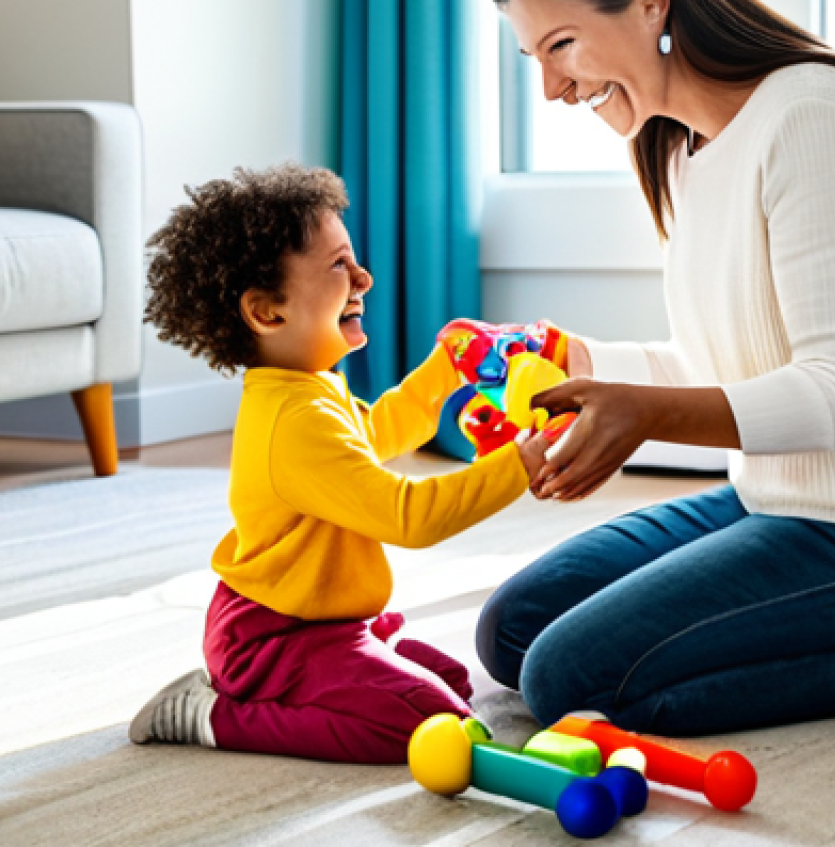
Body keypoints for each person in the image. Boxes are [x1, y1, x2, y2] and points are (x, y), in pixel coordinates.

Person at [476, 0, 835, 737]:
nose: (551, 88)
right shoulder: (682, 148)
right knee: (511, 630)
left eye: (564, 45)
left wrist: (644, 414)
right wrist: (567, 359)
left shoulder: (811, 115)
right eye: (533, 60)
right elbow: (724, 367)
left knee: (568, 677)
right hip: (770, 496)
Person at [128, 164, 550, 763]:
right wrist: (518, 464)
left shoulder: (305, 387)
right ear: (267, 312)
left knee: (451, 682)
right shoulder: (294, 419)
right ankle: (215, 714)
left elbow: (374, 433)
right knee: (428, 722)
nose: (364, 278)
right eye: (338, 266)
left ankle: (337, 670)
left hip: (328, 622)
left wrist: (446, 369)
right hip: (272, 636)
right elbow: (409, 517)